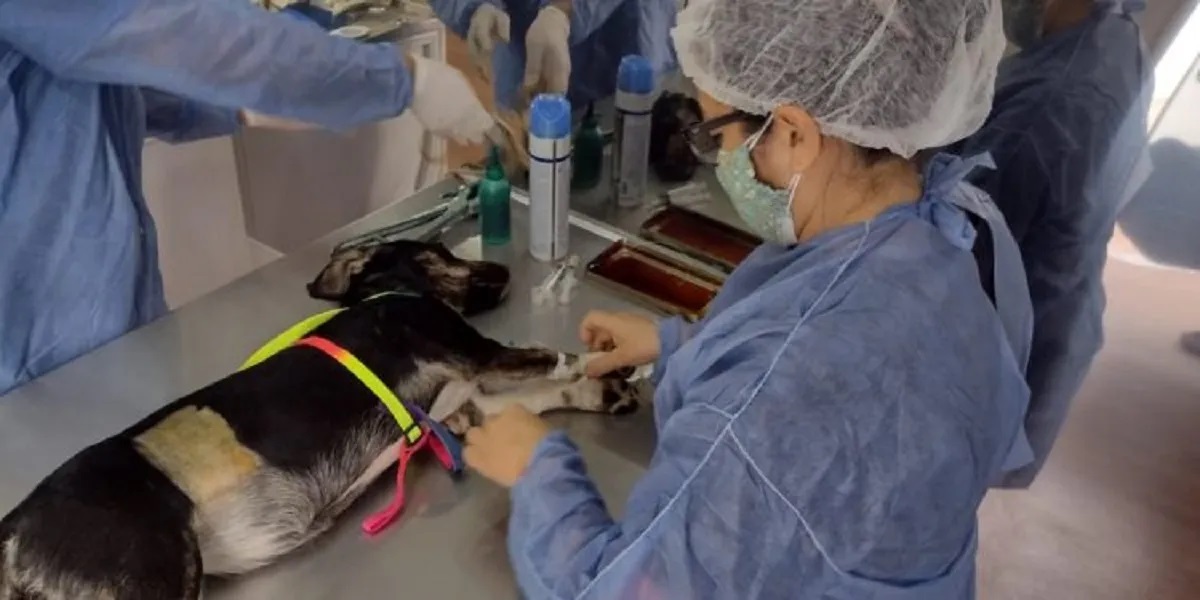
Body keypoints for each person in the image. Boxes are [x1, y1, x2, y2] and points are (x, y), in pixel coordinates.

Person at [462, 0, 1036, 596]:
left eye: (719, 135)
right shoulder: (934, 248)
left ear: (793, 132)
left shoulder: (777, 393)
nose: (720, 160)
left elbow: (631, 588)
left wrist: (538, 472)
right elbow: (854, 388)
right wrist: (689, 347)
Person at [0, 0, 495, 395]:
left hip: (109, 324)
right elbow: (184, 33)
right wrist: (404, 81)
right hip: (34, 355)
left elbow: (106, 81)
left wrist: (235, 102)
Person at [947, 0, 1151, 487]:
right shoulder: (1118, 40)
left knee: (918, 490)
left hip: (988, 344)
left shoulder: (1051, 104)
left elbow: (955, 252)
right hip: (1051, 311)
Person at [432, 0, 678, 109]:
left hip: (632, 46)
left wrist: (565, 10)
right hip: (525, 53)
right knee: (528, 180)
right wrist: (471, 7)